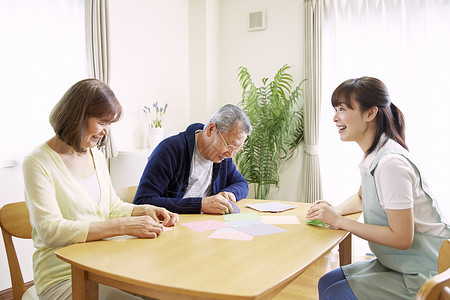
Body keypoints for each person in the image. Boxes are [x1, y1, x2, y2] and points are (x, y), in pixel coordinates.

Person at [22, 79, 179, 300]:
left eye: (110, 124)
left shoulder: (95, 154)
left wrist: (144, 210)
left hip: (104, 265)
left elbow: (112, 206)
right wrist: (124, 225)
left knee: (163, 290)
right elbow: (50, 230)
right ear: (78, 117)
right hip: (63, 276)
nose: (106, 131)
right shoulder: (37, 162)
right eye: (103, 122)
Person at [306, 77, 450, 300]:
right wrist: (333, 210)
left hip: (425, 270)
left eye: (342, 109)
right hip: (404, 261)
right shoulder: (374, 155)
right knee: (327, 281)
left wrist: (339, 221)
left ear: (370, 113)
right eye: (335, 109)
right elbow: (362, 198)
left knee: (335, 293)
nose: (335, 118)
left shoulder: (391, 163)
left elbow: (402, 238)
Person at [133, 104, 252, 214]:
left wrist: (229, 193)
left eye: (236, 149)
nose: (230, 155)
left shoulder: (222, 157)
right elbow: (142, 202)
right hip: (172, 227)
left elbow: (241, 184)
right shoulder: (169, 150)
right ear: (211, 129)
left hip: (205, 226)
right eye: (229, 145)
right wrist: (200, 204)